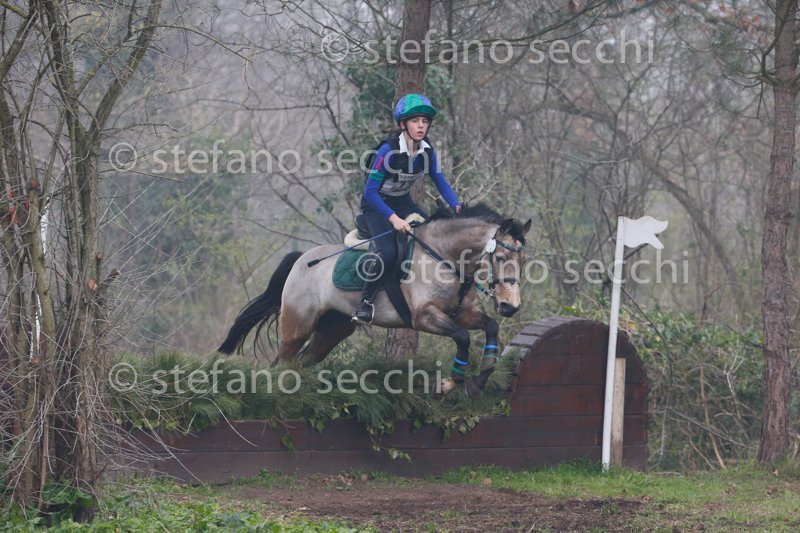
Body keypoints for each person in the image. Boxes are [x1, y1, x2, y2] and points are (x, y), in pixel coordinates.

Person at [351, 93, 462, 325]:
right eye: (415, 121)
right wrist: (393, 219)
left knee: (433, 238)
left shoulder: (427, 150)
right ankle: (365, 303)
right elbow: (370, 192)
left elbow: (440, 181)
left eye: (425, 121)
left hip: (403, 202)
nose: (421, 126)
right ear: (403, 124)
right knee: (388, 253)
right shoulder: (387, 151)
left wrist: (457, 205)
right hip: (376, 205)